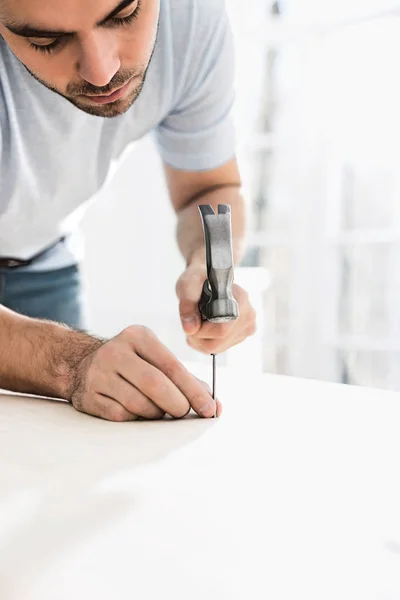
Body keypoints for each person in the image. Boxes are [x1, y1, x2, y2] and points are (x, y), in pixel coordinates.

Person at [0, 0, 256, 421]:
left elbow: (207, 188)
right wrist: (73, 364)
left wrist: (209, 265)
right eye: (46, 40)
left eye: (124, 15)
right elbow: (73, 366)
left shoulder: (191, 21)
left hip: (45, 260)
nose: (102, 72)